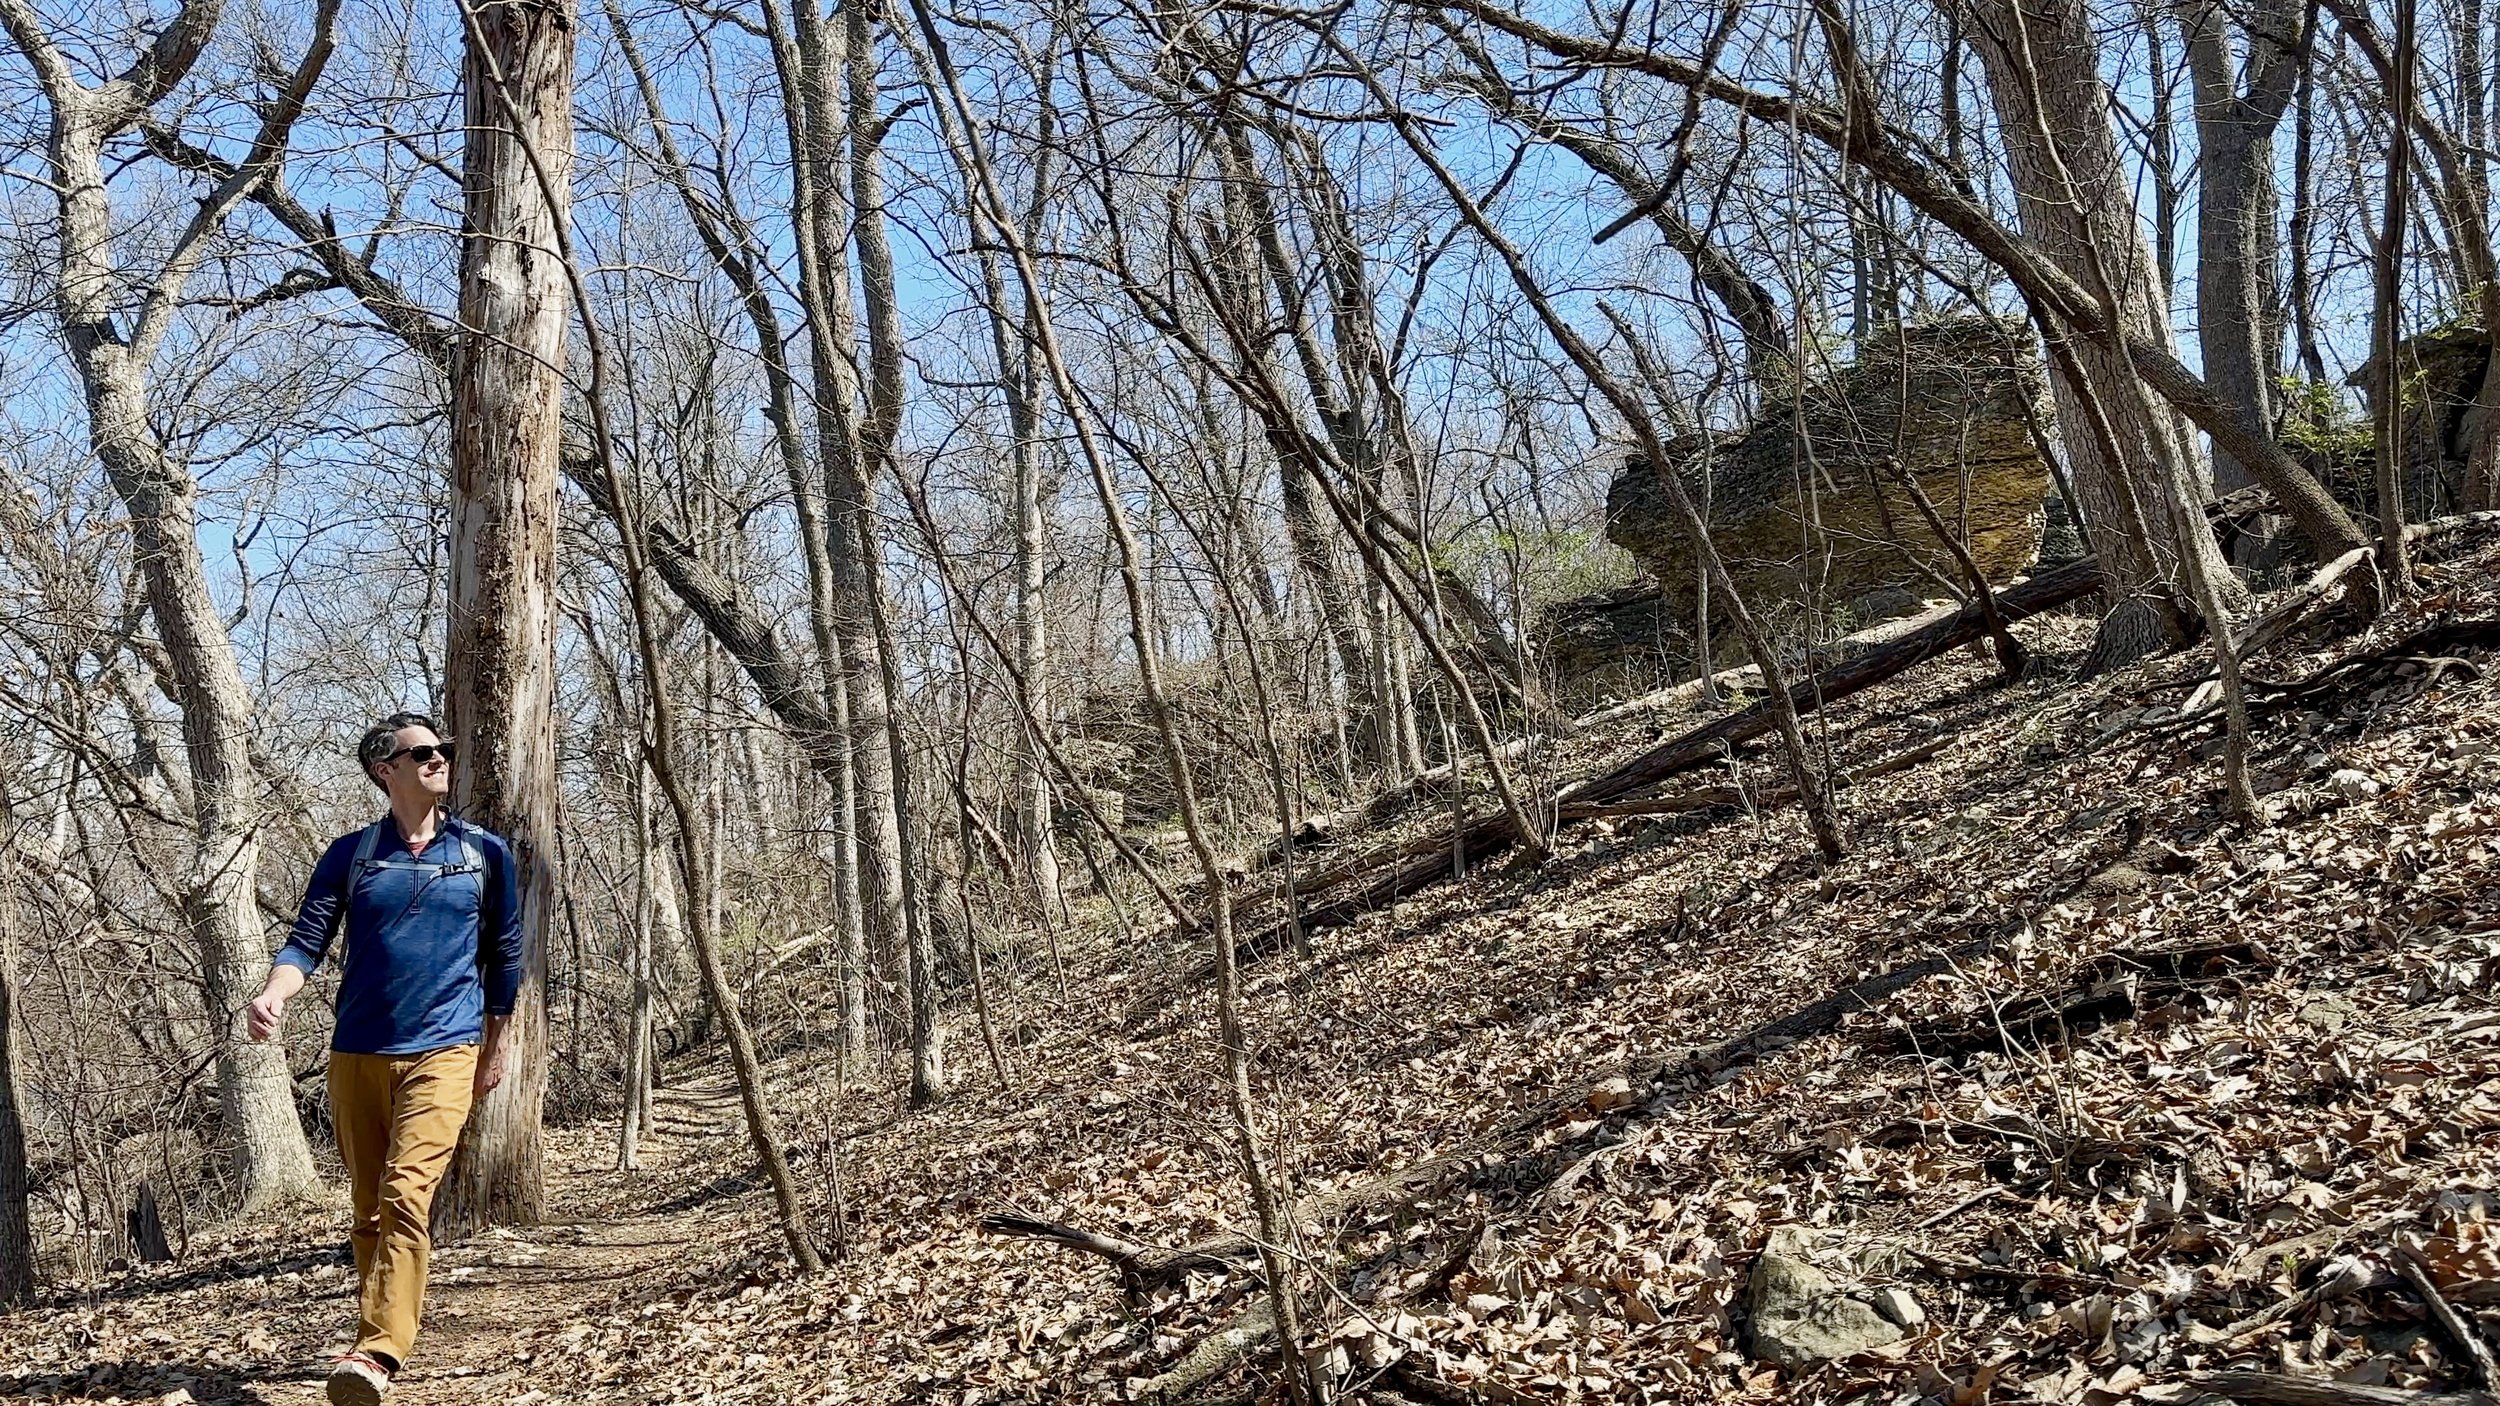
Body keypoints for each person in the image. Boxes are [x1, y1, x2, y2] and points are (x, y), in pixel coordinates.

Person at [247, 712, 523, 1406]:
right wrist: (274, 993)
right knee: (369, 1208)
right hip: (357, 1053)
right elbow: (307, 939)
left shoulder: (486, 854)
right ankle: (375, 1335)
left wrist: (496, 1048)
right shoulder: (353, 854)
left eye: (445, 751)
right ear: (386, 770)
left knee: (405, 1194)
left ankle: (377, 1350)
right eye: (423, 753)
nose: (440, 760)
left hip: (446, 1048)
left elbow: (505, 959)